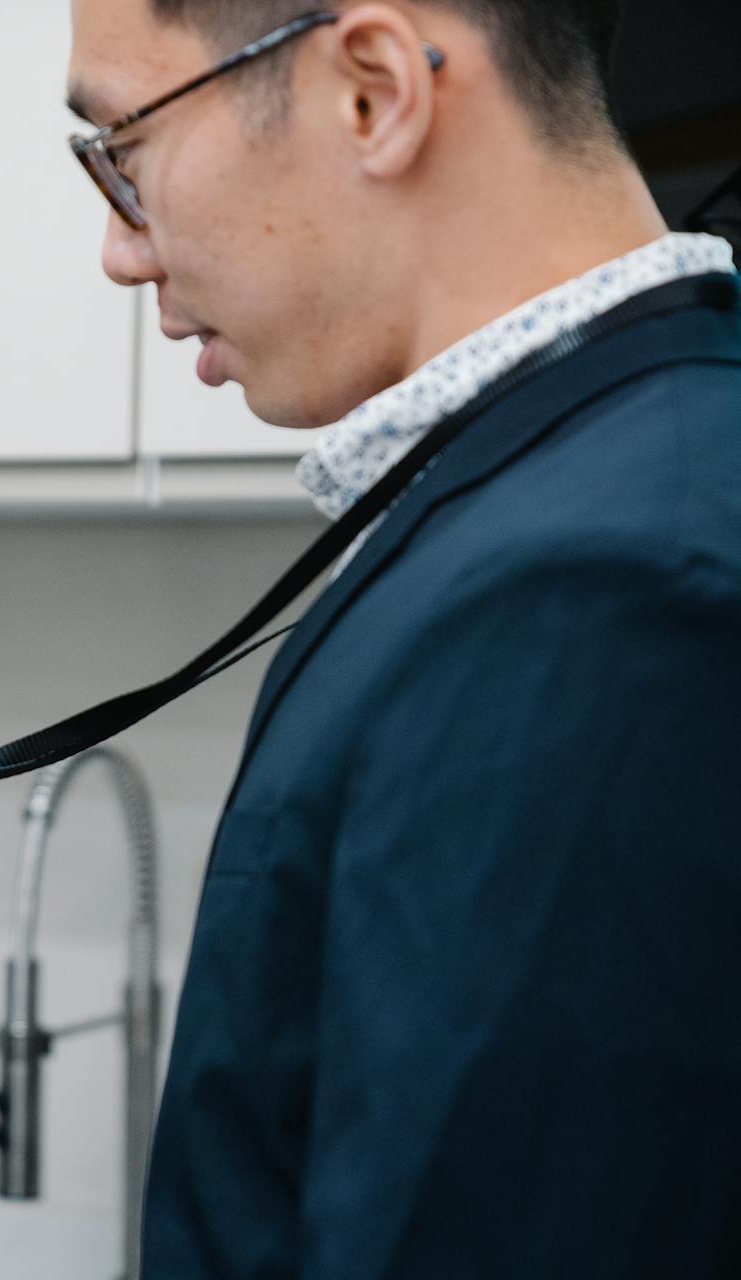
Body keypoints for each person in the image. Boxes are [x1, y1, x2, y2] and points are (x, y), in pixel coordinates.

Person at [63, 1, 740, 1275]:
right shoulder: (565, 493)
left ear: (372, 90)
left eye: (122, 149)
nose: (118, 248)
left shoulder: (597, 598)